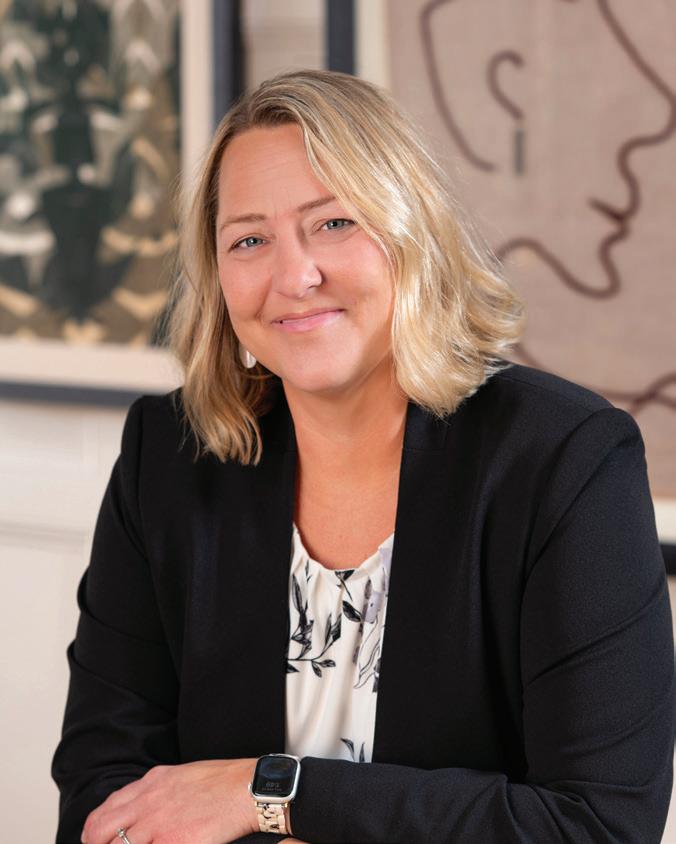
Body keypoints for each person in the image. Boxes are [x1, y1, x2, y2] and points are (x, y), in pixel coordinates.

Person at [51, 68, 675, 844]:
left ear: (412, 232)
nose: (294, 276)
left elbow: (598, 825)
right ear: (215, 277)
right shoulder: (169, 458)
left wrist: (264, 792)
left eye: (334, 223)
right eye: (249, 239)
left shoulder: (564, 463)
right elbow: (103, 800)